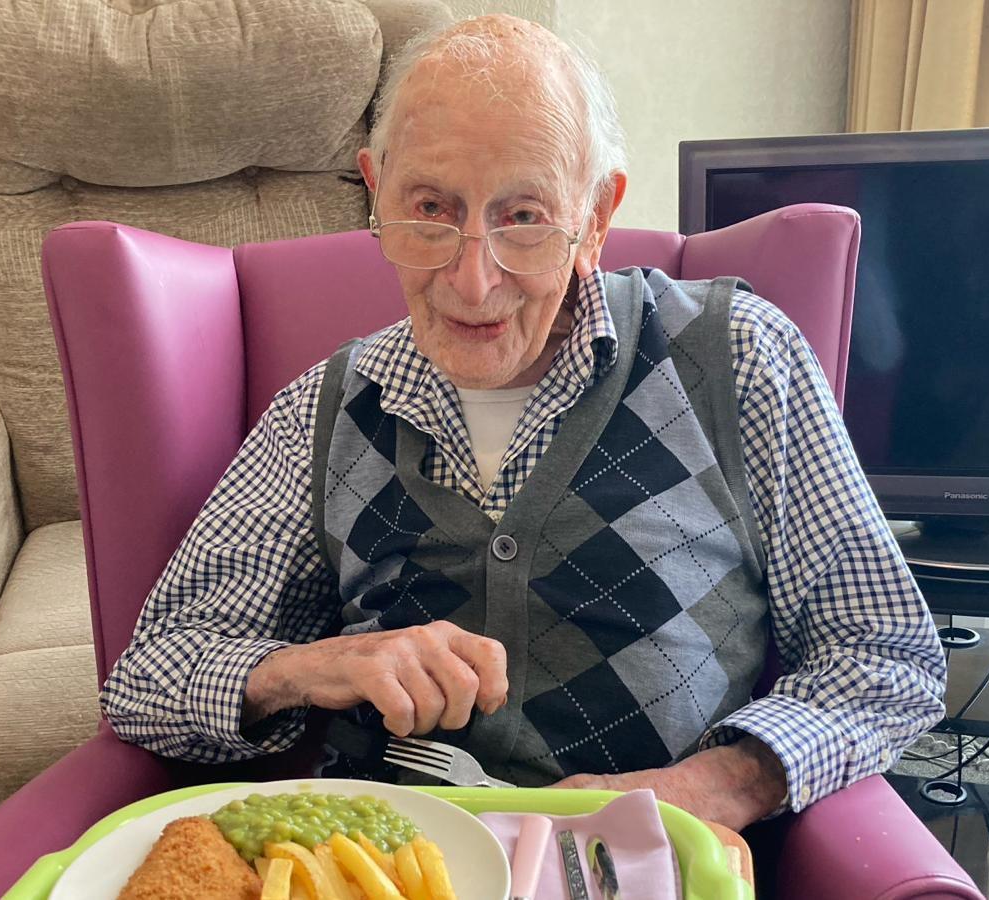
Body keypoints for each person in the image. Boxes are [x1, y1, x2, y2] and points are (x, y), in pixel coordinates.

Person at [101, 15, 946, 832]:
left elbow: (887, 656)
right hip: (383, 867)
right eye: (430, 207)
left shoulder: (737, 359)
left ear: (597, 215)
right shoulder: (322, 410)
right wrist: (306, 667)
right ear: (376, 186)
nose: (473, 282)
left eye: (524, 216)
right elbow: (147, 682)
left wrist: (715, 786)